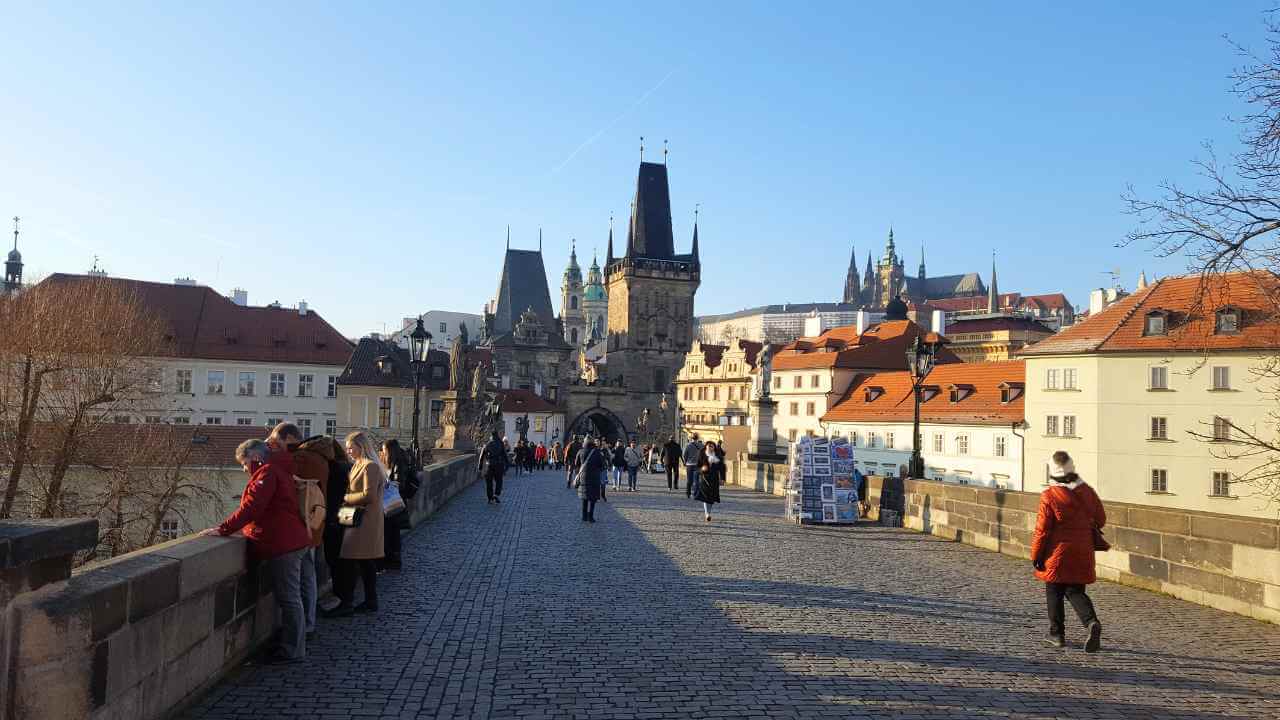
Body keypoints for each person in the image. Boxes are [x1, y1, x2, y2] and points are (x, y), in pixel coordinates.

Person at [205, 439, 311, 663]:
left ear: (254, 457)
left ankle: (293, 650)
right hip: (291, 539)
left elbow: (252, 507)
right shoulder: (278, 469)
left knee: (290, 597)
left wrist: (224, 529)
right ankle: (292, 644)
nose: (243, 469)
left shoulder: (267, 473)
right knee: (291, 596)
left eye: (244, 463)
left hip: (284, 543)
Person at [1031, 451, 1106, 652]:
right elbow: (1101, 519)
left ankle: (1057, 634)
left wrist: (1036, 555)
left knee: (1054, 590)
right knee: (1075, 590)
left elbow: (1042, 529)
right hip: (1082, 550)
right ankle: (1091, 622)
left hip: (1057, 552)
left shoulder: (1049, 495)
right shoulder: (1087, 492)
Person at [264, 422, 318, 637]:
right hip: (308, 529)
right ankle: (306, 628)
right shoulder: (308, 458)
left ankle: (297, 639)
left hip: (294, 532)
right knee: (306, 581)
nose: (292, 450)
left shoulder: (283, 460)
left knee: (292, 593)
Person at [323, 432, 386, 617]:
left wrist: (346, 498)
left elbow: (369, 495)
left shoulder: (370, 466)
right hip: (357, 518)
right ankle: (370, 601)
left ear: (362, 446)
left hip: (364, 520)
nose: (348, 451)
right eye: (347, 447)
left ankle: (348, 603)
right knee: (365, 562)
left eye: (351, 447)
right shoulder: (358, 464)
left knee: (350, 560)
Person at [294, 435, 350, 614]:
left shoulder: (328, 466)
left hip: (330, 518)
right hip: (341, 516)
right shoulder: (343, 465)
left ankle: (343, 600)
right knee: (340, 560)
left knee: (334, 560)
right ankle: (343, 598)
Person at [380, 439, 414, 571]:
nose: (383, 453)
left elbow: (399, 483)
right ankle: (392, 559)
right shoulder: (398, 460)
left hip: (395, 502)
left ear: (390, 450)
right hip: (395, 500)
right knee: (392, 532)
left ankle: (393, 560)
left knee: (392, 531)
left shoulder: (399, 463)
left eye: (384, 450)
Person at [574, 437, 606, 522]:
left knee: (584, 498)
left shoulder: (580, 451)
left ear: (584, 442)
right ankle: (591, 517)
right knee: (593, 498)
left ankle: (584, 516)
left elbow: (576, 463)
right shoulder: (597, 452)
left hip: (583, 478)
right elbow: (602, 465)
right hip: (594, 478)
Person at [694, 440, 723, 521]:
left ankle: (708, 513)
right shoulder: (702, 454)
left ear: (714, 448)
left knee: (711, 497)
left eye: (712, 446)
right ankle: (707, 514)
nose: (710, 447)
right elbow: (697, 467)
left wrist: (722, 478)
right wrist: (702, 469)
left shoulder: (717, 456)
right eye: (708, 445)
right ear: (706, 446)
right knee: (705, 496)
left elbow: (721, 468)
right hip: (704, 478)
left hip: (714, 478)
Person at [479, 431, 508, 503]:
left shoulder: (487, 444)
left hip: (489, 465)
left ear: (491, 436)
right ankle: (496, 494)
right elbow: (505, 455)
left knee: (489, 483)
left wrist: (480, 466)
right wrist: (507, 465)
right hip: (499, 465)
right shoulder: (501, 443)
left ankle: (490, 498)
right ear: (497, 435)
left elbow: (481, 456)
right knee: (499, 481)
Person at [682, 433, 702, 498]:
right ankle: (695, 494)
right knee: (697, 480)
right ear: (697, 438)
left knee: (689, 480)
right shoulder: (701, 445)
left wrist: (685, 462)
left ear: (692, 438)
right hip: (697, 465)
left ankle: (688, 493)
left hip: (689, 464)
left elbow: (685, 455)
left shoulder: (688, 445)